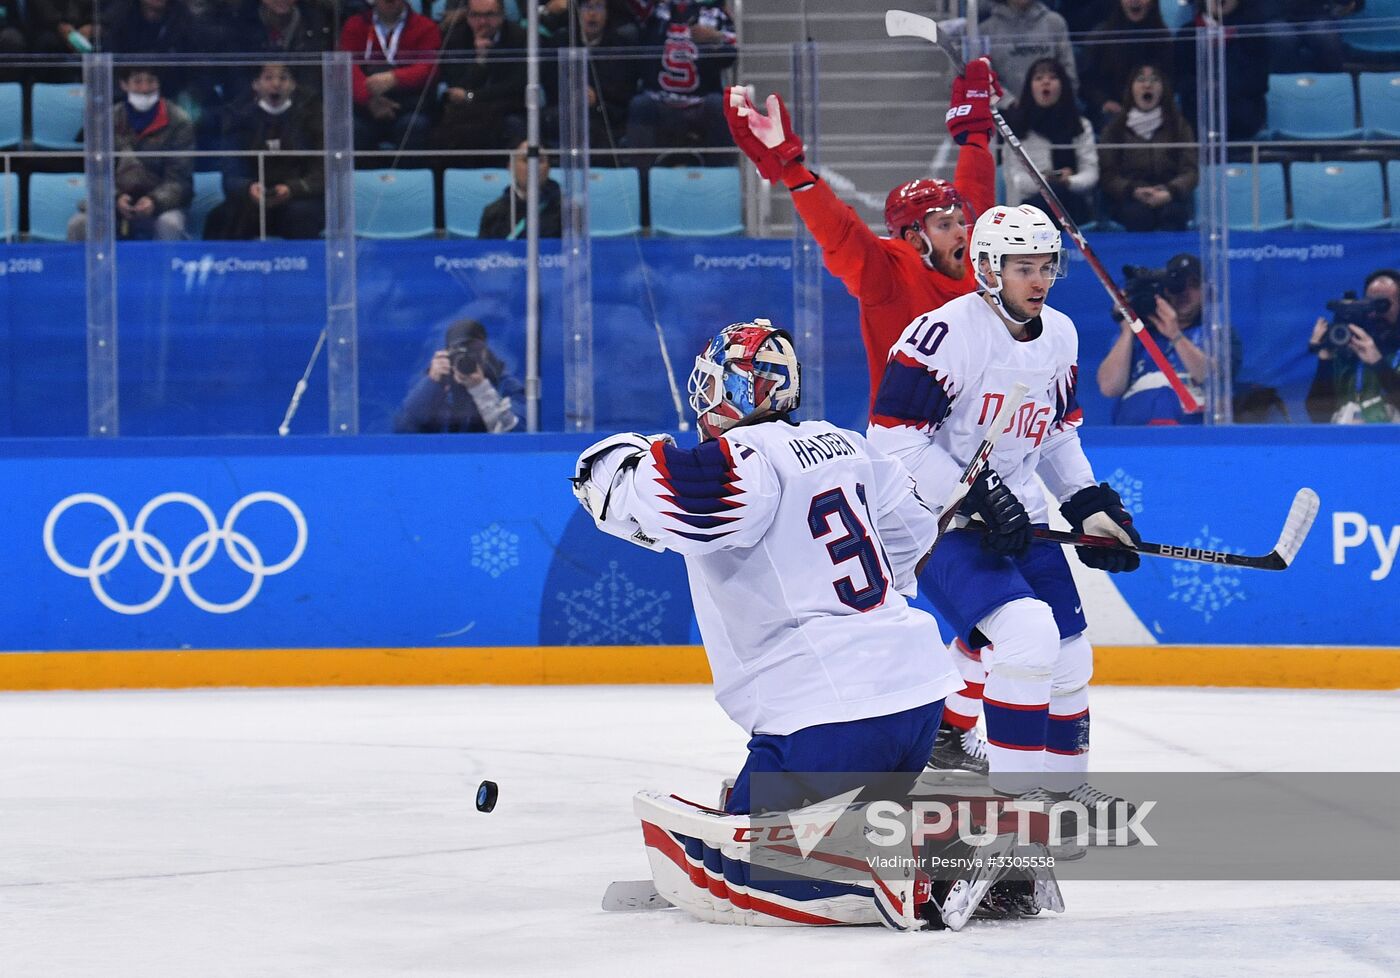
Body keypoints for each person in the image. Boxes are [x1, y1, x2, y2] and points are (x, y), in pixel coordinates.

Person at [569, 318, 977, 929]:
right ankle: (956, 849)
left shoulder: (747, 458)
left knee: (726, 866)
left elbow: (671, 501)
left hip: (830, 715)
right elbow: (914, 529)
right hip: (915, 702)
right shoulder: (848, 445)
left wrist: (609, 465)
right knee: (746, 803)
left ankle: (891, 874)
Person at [726, 59, 1000, 774]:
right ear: (913, 236)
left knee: (999, 613)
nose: (962, 227)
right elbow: (839, 234)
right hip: (908, 463)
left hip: (974, 454)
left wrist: (973, 126)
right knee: (910, 598)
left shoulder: (975, 267)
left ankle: (947, 724)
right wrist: (794, 170)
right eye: (945, 223)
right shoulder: (888, 272)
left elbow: (977, 187)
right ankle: (852, 719)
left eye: (961, 220)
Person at [868, 203, 1142, 824]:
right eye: (1024, 268)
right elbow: (892, 441)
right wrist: (978, 490)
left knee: (1072, 654)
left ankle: (1066, 796)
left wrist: (1090, 503)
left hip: (1017, 515)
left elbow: (1054, 433)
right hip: (935, 524)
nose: (1040, 280)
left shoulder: (1062, 334)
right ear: (988, 268)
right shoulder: (940, 335)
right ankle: (1014, 807)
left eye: (1047, 266)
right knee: (1026, 636)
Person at [1096, 253, 1243, 425]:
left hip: (1192, 430)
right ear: (1164, 291)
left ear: (1206, 292)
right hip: (1136, 431)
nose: (1185, 293)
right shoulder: (1136, 336)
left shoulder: (1216, 332)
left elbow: (1214, 379)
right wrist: (1128, 326)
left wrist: (1175, 335)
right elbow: (1109, 387)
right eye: (1177, 286)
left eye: (1194, 285)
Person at [67, 66, 193, 242]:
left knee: (170, 224)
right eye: (137, 82)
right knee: (79, 224)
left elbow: (180, 179)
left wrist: (154, 201)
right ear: (124, 85)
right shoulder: (106, 120)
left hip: (161, 206)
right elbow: (97, 174)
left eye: (151, 81)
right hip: (112, 204)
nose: (144, 88)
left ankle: (165, 270)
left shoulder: (179, 122)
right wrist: (115, 198)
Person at [204, 62, 325, 241]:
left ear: (292, 85)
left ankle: (303, 267)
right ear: (256, 84)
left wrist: (293, 189)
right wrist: (248, 188)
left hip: (297, 199)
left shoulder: (311, 118)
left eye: (283, 78)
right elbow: (231, 173)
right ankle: (230, 267)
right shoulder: (238, 118)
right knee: (222, 217)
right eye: (268, 78)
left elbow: (320, 173)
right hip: (252, 200)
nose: (276, 84)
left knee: (304, 215)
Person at [624, 0, 736, 166]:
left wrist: (716, 38)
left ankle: (721, 178)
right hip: (658, 99)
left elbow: (732, 52)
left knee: (719, 106)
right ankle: (640, 184)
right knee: (640, 105)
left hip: (700, 100)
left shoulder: (714, 12)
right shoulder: (654, 9)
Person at [1098, 63, 1198, 232]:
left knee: (1173, 214)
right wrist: (1133, 191)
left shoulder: (1178, 125)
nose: (1147, 85)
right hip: (1129, 198)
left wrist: (1170, 191)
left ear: (1163, 89)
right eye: (1141, 80)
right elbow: (1107, 175)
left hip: (1170, 197)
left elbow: (1191, 171)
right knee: (1137, 216)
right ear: (1131, 88)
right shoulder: (1115, 128)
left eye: (1154, 80)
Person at [1001, 57, 1099, 226]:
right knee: (1052, 195)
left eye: (1052, 78)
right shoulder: (1017, 127)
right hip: (1030, 205)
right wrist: (1044, 180)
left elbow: (1091, 174)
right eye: (1039, 78)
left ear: (1063, 85)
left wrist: (1069, 181)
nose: (1045, 82)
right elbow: (1014, 177)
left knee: (1061, 193)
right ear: (1030, 87)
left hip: (1072, 198)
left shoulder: (1081, 125)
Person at [339, 0, 441, 152]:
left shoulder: (426, 27)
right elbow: (345, 67)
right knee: (351, 130)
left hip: (409, 107)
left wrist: (395, 78)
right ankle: (363, 177)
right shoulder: (355, 25)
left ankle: (411, 176)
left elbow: (429, 68)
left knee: (414, 128)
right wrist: (368, 99)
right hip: (365, 107)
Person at [430, 0, 528, 154]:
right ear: (467, 16)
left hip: (506, 109)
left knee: (514, 125)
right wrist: (480, 61)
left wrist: (471, 96)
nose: (482, 22)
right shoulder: (455, 38)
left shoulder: (520, 37)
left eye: (489, 15)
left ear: (502, 15)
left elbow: (514, 86)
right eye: (475, 15)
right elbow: (456, 86)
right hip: (466, 112)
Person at [394, 319, 523, 433]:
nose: (466, 358)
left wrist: (481, 389)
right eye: (459, 352)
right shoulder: (437, 381)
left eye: (474, 350)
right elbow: (403, 430)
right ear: (447, 354)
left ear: (485, 353)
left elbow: (519, 434)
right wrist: (432, 384)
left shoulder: (503, 383)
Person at [1306, 269, 1400, 424]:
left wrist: (1378, 363)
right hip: (1348, 441)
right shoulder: (1350, 347)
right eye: (1371, 303)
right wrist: (1325, 359)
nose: (1376, 312)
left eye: (1384, 304)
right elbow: (1317, 416)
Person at [953, 0, 1078, 112]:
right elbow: (983, 79)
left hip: (1054, 113)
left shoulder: (1055, 23)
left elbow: (1068, 72)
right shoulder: (986, 30)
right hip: (1007, 115)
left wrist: (1058, 102)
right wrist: (1010, 103)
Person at [1076, 0, 1175, 130]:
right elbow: (1085, 82)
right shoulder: (1100, 37)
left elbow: (1170, 80)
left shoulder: (1162, 38)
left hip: (1151, 111)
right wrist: (1104, 102)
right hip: (1109, 114)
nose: (1135, 1)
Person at [478, 139, 562, 238]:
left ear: (548, 168)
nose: (533, 166)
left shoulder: (568, 211)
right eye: (526, 160)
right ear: (510, 166)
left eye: (540, 160)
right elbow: (484, 252)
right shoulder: (493, 213)